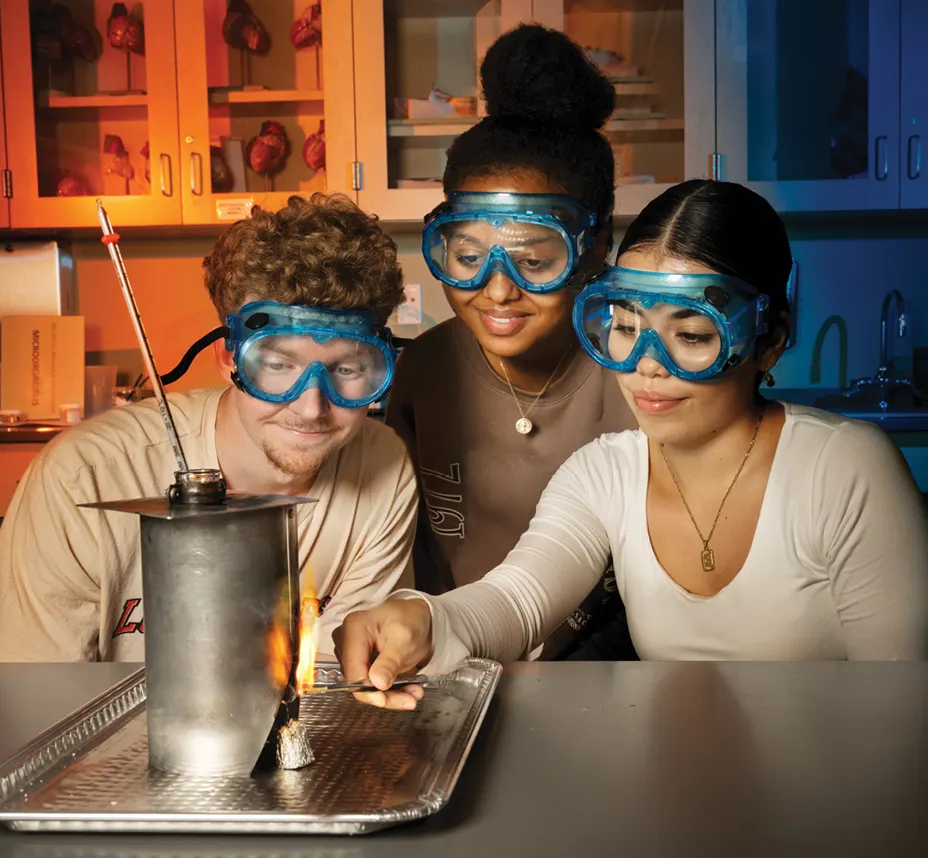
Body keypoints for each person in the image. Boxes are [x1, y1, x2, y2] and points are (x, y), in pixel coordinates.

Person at [337, 179, 928, 708]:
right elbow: (516, 602)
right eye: (625, 327)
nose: (647, 365)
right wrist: (425, 616)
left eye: (692, 334)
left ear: (768, 341)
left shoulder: (842, 470)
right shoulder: (604, 473)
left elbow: (902, 705)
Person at [0, 194, 419, 662]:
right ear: (228, 359)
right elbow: (30, 702)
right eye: (278, 364)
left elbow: (340, 688)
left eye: (347, 370)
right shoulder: (84, 475)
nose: (310, 406)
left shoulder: (382, 467)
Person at [382, 23, 639, 662]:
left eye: (535, 258)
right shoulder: (421, 371)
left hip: (600, 677)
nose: (497, 291)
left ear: (597, 245)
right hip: (438, 660)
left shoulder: (641, 377)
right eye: (467, 255)